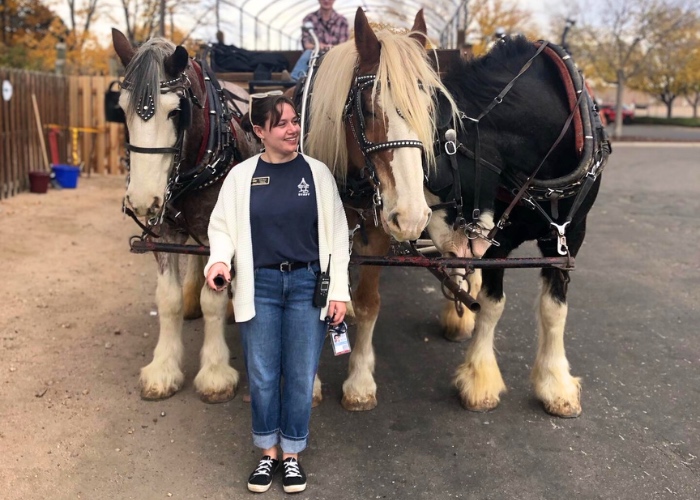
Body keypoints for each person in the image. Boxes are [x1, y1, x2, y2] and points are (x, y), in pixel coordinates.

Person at [204, 91, 350, 494]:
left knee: (302, 375)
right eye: (281, 123)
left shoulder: (317, 174)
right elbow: (221, 227)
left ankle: (293, 456)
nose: (292, 129)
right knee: (264, 376)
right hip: (261, 286)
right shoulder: (241, 177)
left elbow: (338, 235)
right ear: (260, 131)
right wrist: (218, 261)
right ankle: (268, 452)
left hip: (307, 286)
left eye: (294, 121)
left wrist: (338, 290)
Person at [289, 0, 349, 81]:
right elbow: (307, 44)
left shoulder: (342, 20)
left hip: (334, 55)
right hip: (315, 55)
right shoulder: (309, 19)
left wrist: (330, 48)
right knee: (308, 53)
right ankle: (294, 80)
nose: (326, 1)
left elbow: (343, 45)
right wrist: (320, 46)